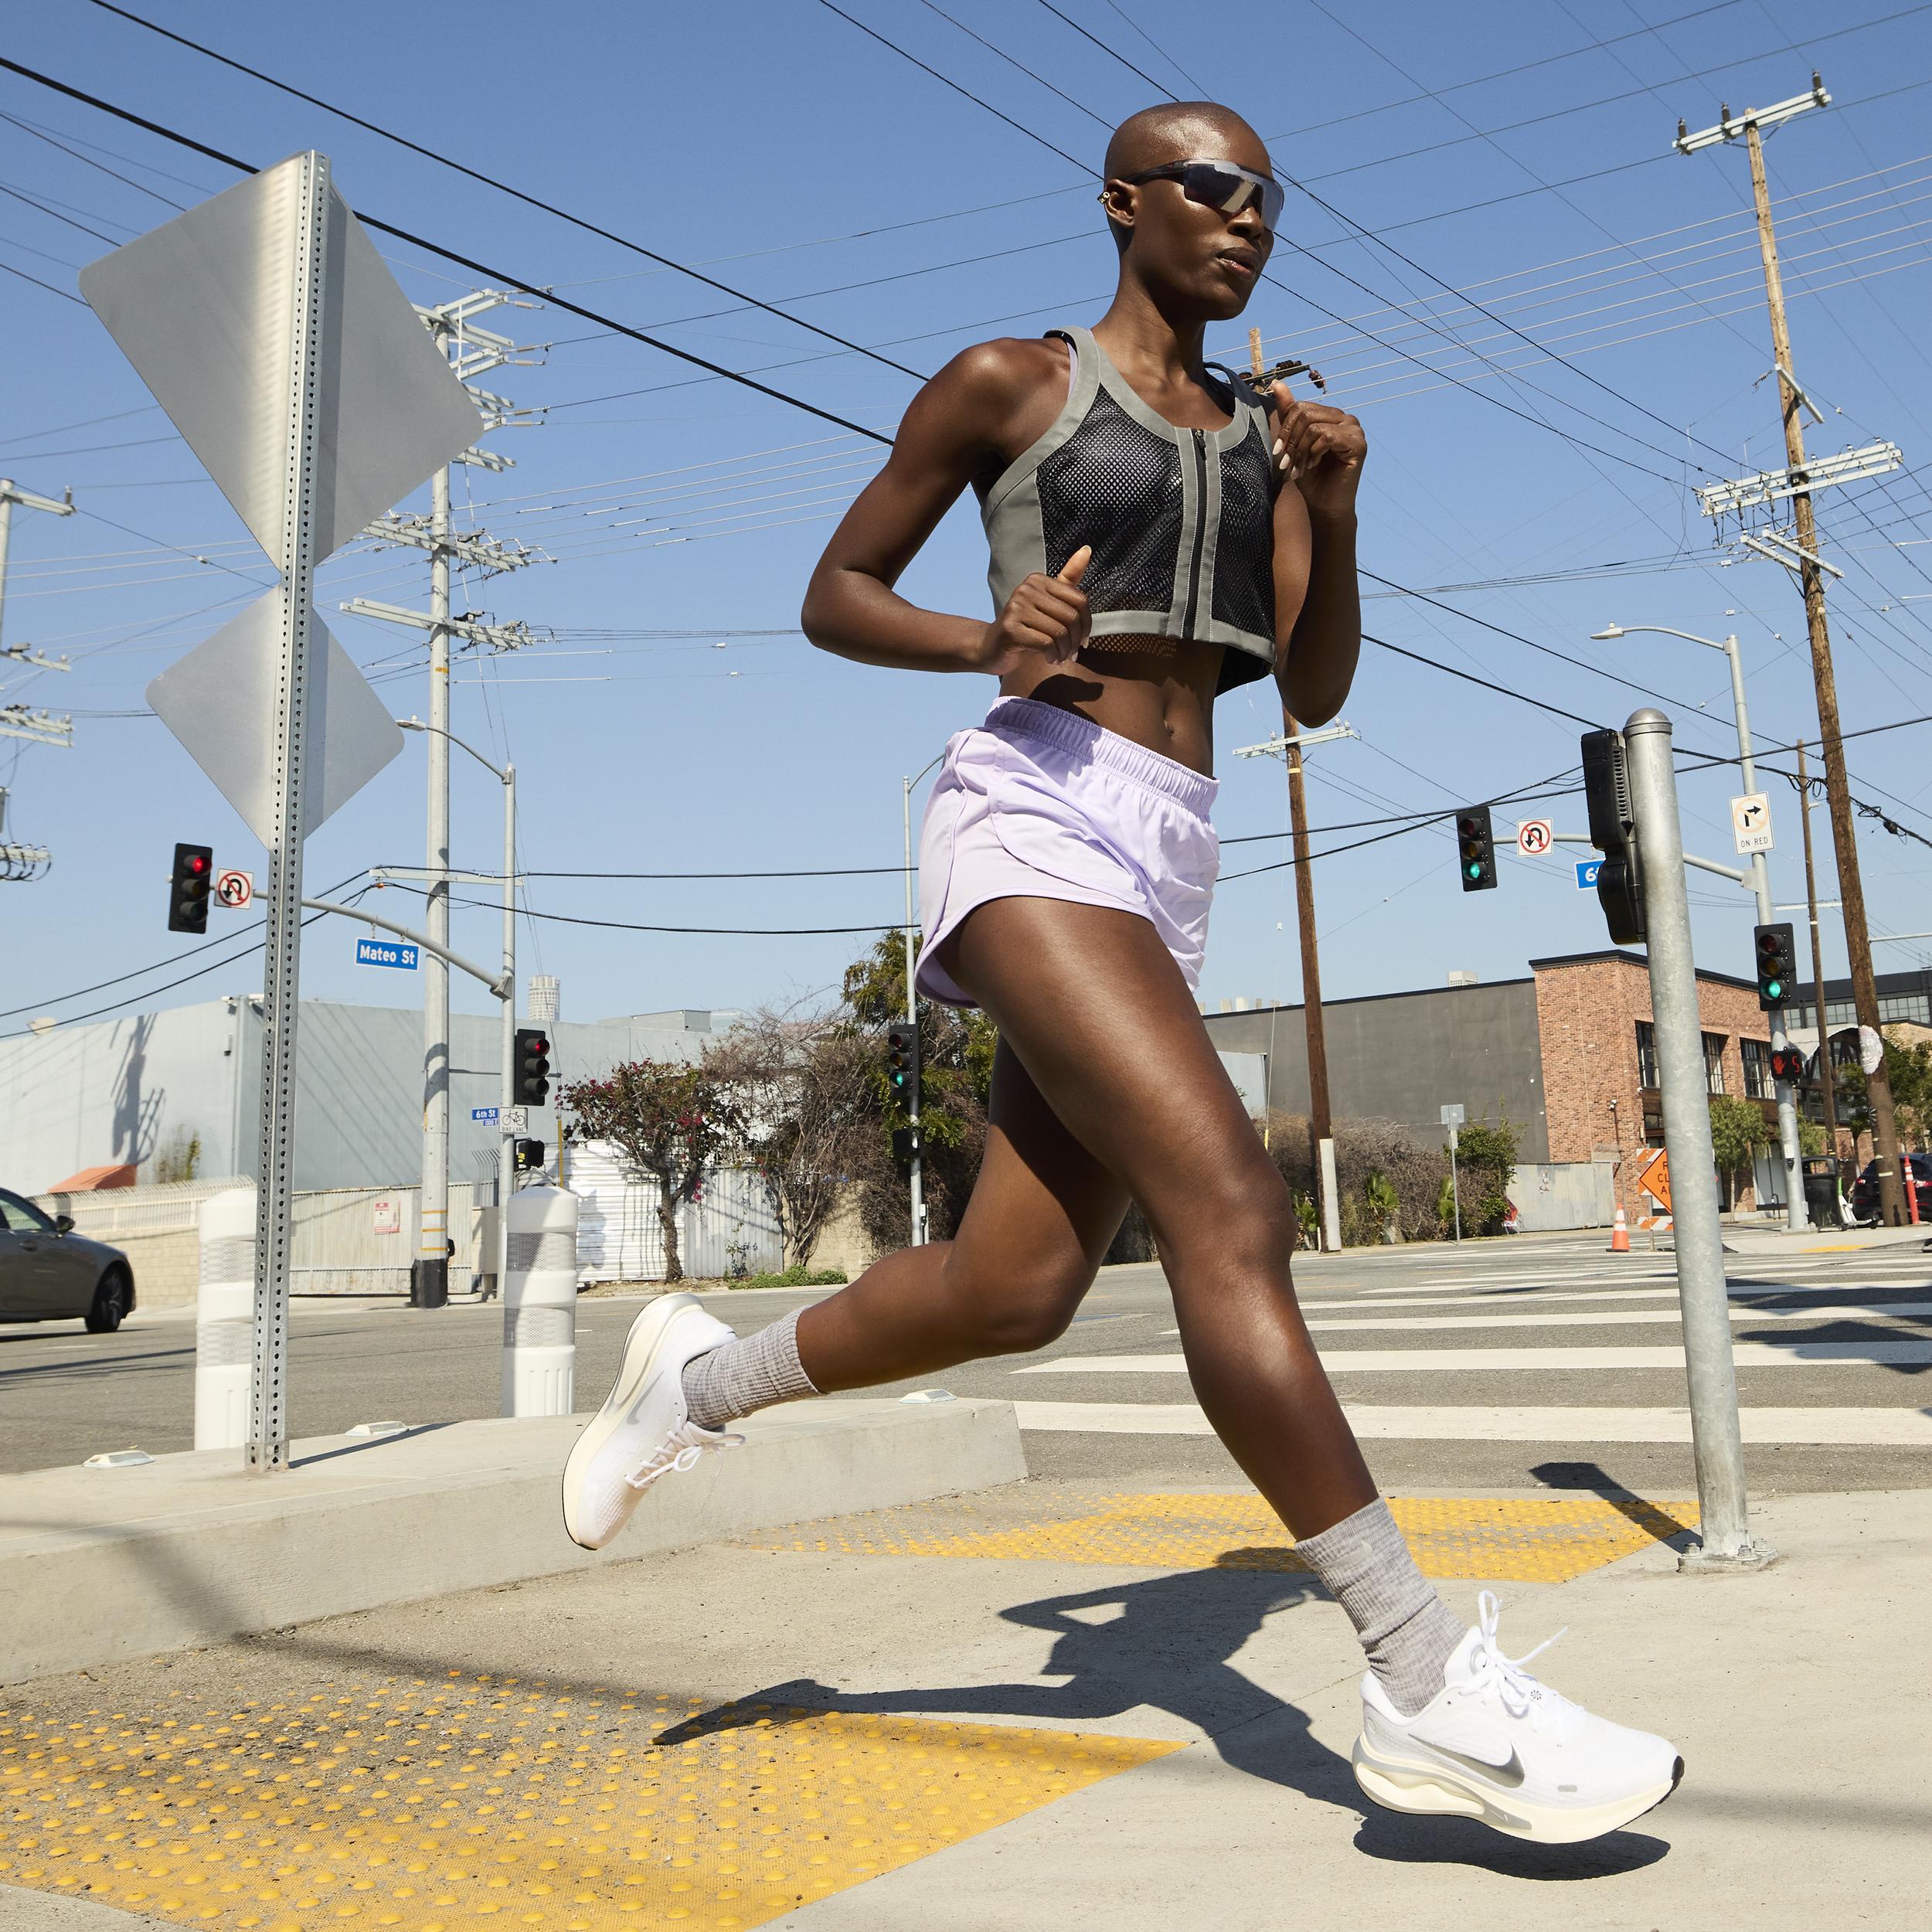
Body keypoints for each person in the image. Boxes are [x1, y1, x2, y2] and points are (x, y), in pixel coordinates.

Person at [562, 100, 1682, 1847]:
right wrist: (976, 637)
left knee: (1015, 1287)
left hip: (1168, 844)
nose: (1245, 221)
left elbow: (1305, 690)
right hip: (1026, 809)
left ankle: (691, 1383)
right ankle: (1416, 1682)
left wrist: (1338, 498)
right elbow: (834, 589)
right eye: (1211, 189)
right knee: (1228, 1205)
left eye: (1267, 201)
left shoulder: (1266, 434)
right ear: (1123, 202)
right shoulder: (1007, 381)